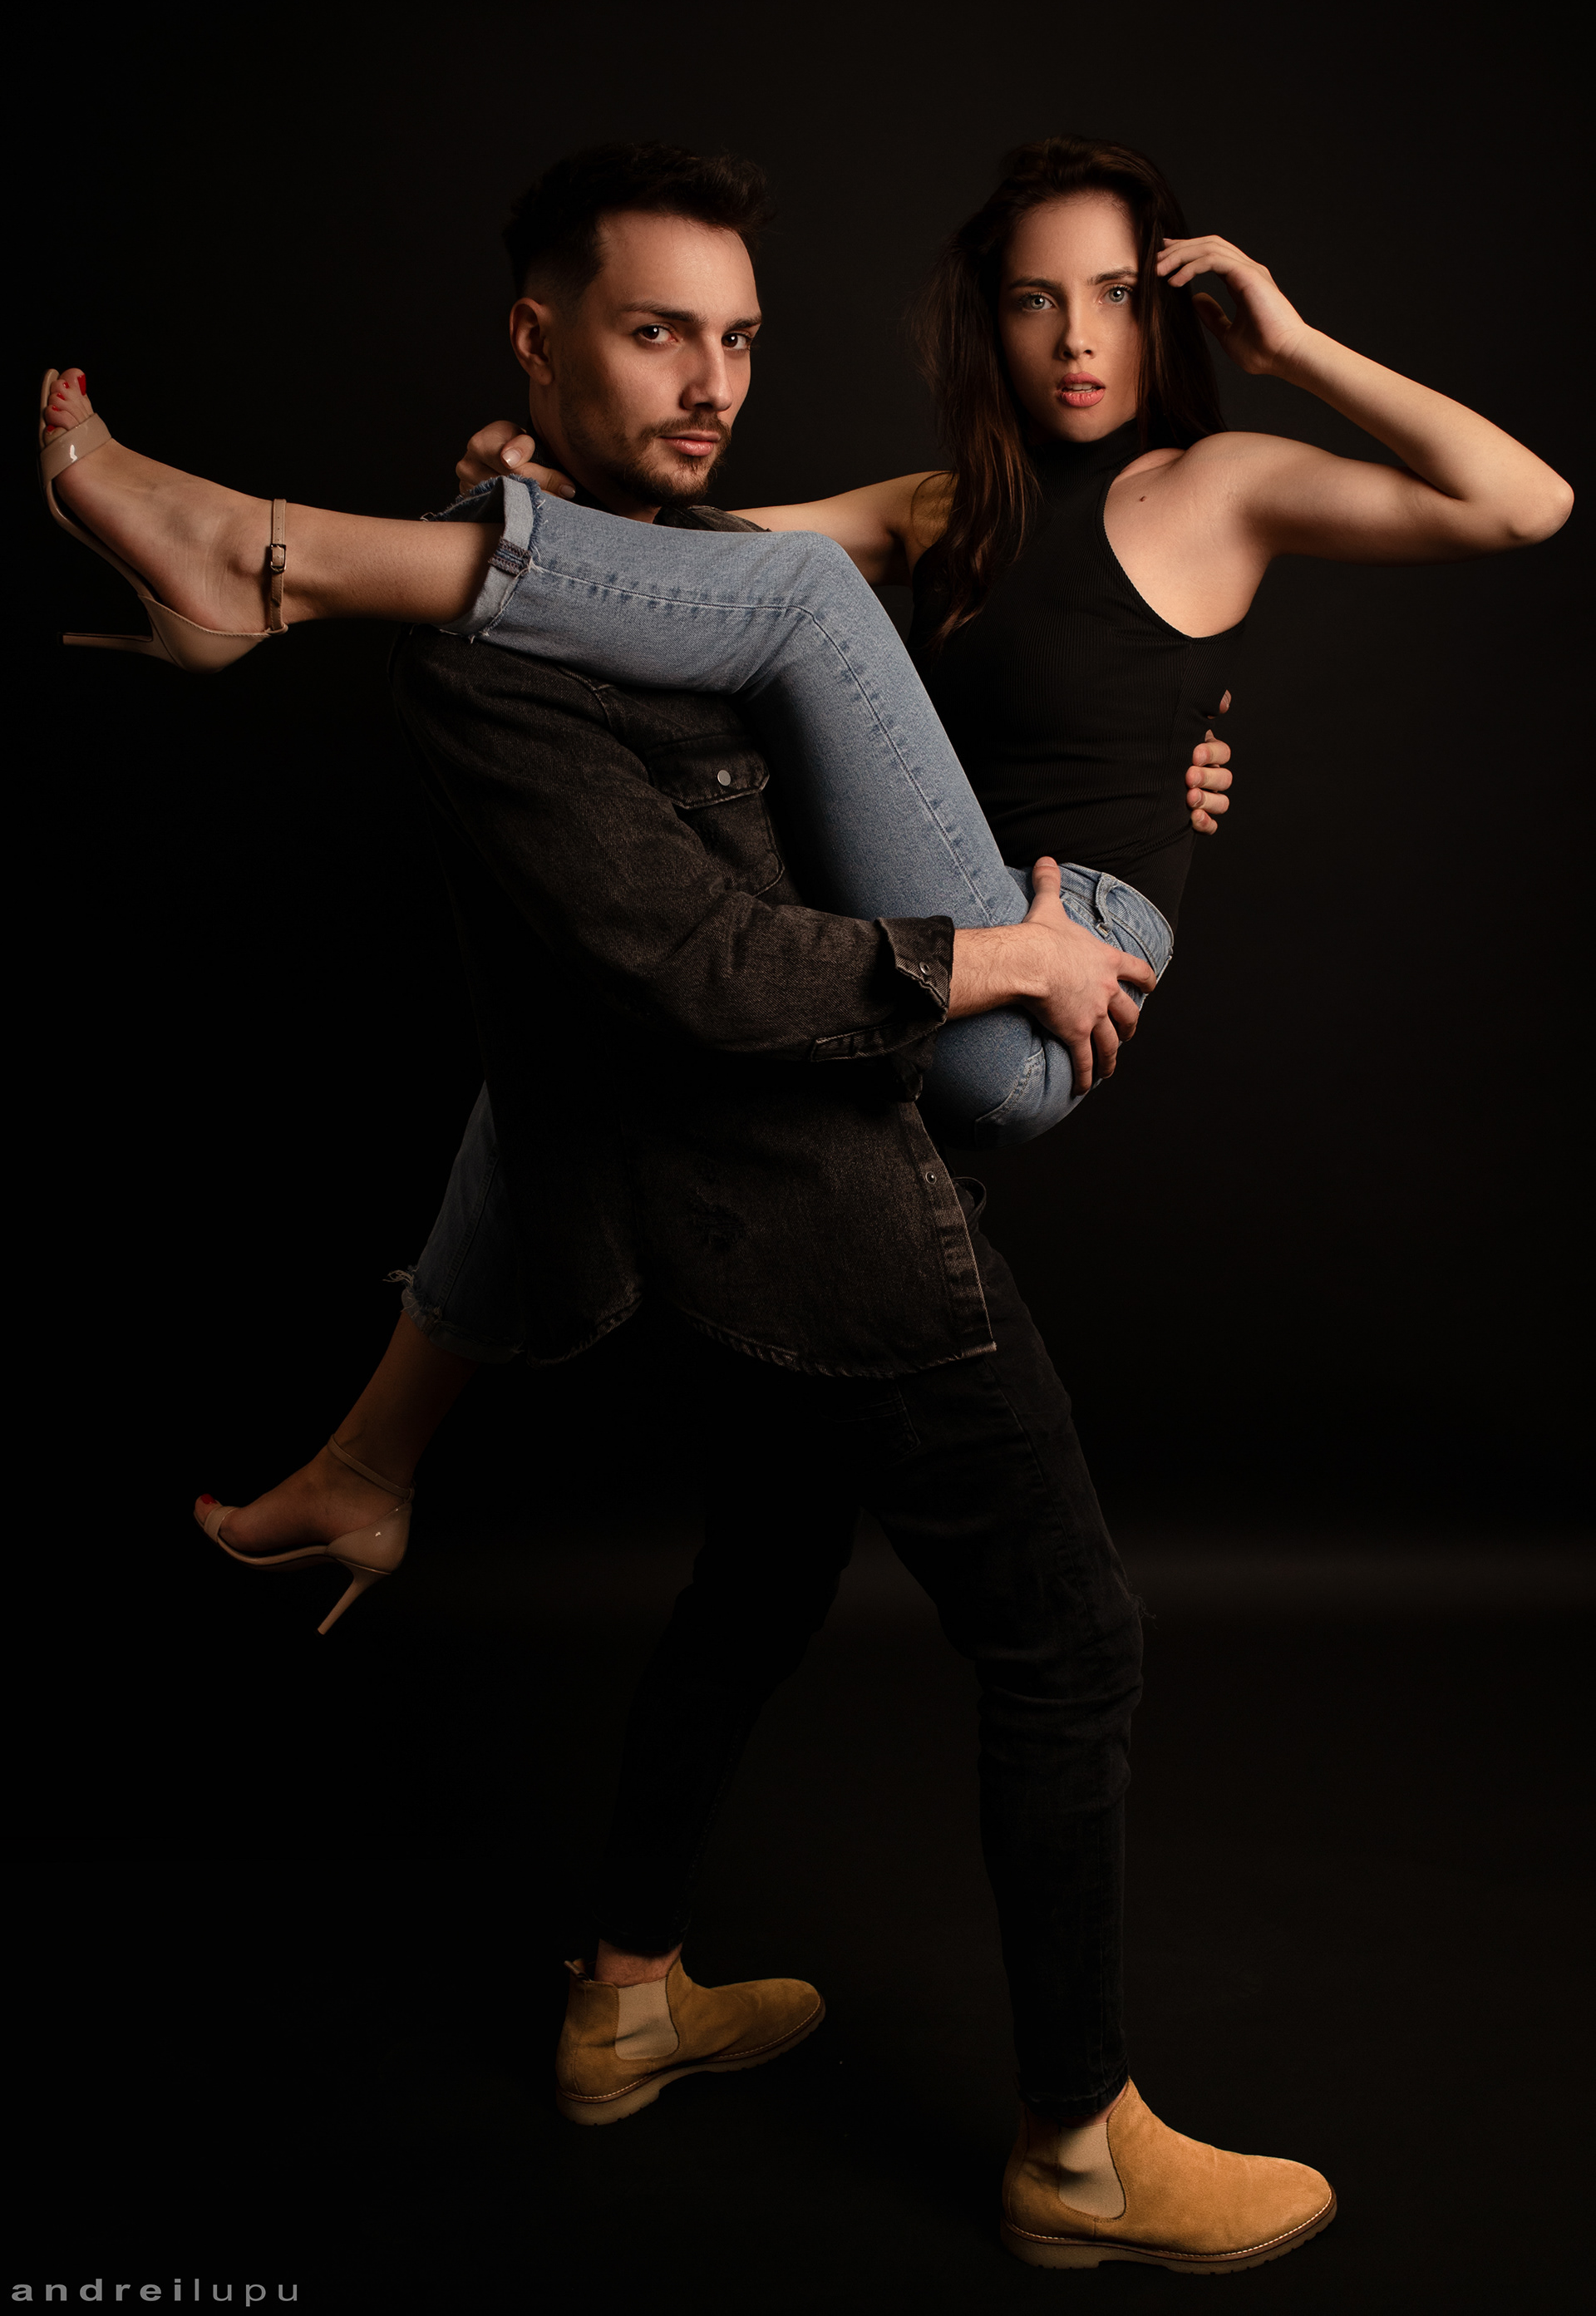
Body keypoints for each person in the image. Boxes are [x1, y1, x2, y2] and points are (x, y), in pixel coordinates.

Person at [35, 136, 1567, 2274]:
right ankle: (638, 1986)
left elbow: (1525, 502)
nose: (1079, 338)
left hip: (1045, 985)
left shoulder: (1217, 486)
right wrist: (506, 501)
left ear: (1171, 312)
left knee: (773, 644)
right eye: (1034, 297)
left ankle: (261, 563)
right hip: (927, 983)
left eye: (1121, 295)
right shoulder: (939, 517)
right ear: (982, 323)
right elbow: (665, 568)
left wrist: (1292, 343)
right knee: (758, 1551)